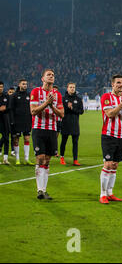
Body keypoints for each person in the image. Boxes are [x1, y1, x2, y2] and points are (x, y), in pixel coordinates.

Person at [29, 69, 64, 200]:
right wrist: (46, 103)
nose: (51, 76)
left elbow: (61, 114)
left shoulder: (57, 94)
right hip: (39, 129)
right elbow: (33, 111)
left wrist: (52, 106)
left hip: (52, 130)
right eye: (48, 75)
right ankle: (39, 190)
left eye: (53, 75)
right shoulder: (35, 92)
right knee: (40, 157)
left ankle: (44, 190)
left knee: (47, 160)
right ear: (42, 78)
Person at [99, 74, 122, 204]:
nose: (121, 85)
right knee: (107, 164)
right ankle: (102, 194)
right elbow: (110, 114)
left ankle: (110, 193)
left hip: (121, 136)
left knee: (115, 165)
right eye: (118, 82)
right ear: (112, 84)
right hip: (108, 135)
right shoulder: (106, 97)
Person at [60, 83, 84, 166]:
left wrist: (72, 108)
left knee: (75, 142)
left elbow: (81, 111)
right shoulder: (63, 99)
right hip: (65, 123)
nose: (72, 89)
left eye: (73, 87)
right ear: (67, 88)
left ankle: (75, 160)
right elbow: (61, 111)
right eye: (70, 87)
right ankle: (62, 157)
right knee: (64, 141)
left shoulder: (78, 99)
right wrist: (67, 107)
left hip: (75, 124)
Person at [11, 79, 33, 165]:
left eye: (26, 84)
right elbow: (11, 109)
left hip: (27, 120)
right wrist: (12, 121)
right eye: (23, 84)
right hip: (17, 121)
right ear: (19, 85)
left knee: (27, 139)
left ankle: (26, 159)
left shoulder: (29, 95)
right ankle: (17, 159)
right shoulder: (14, 95)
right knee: (16, 140)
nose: (25, 85)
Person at [0, 82, 12, 165]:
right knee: (5, 138)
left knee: (6, 138)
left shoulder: (6, 96)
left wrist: (5, 109)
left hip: (5, 119)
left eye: (1, 87)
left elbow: (9, 107)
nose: (0, 88)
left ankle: (5, 158)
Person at [53, 85, 62, 157]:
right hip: (51, 120)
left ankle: (55, 152)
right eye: (54, 90)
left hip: (58, 121)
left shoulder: (59, 99)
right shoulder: (48, 99)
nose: (55, 92)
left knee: (56, 137)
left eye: (56, 90)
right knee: (50, 136)